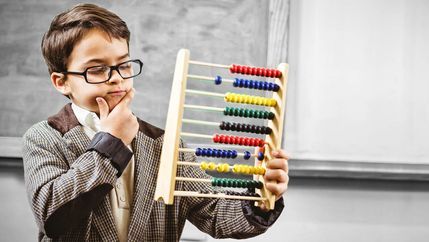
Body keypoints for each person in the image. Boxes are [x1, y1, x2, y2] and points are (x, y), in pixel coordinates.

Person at [22, 3, 289, 241]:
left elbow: (216, 215)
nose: (117, 78)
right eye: (97, 69)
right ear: (61, 81)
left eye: (123, 65)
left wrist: (261, 199)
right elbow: (52, 216)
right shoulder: (45, 138)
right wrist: (111, 143)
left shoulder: (164, 145)